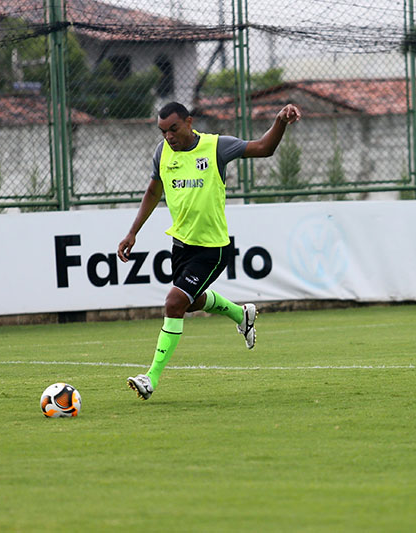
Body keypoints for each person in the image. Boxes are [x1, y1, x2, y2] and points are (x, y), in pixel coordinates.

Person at [118, 101, 301, 400]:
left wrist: (280, 120)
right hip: (181, 246)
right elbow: (154, 191)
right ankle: (241, 315)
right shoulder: (162, 153)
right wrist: (132, 232)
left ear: (189, 122)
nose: (168, 137)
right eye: (163, 131)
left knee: (174, 303)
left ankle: (150, 378)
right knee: (188, 303)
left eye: (173, 129)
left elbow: (264, 148)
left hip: (213, 249)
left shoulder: (217, 147)